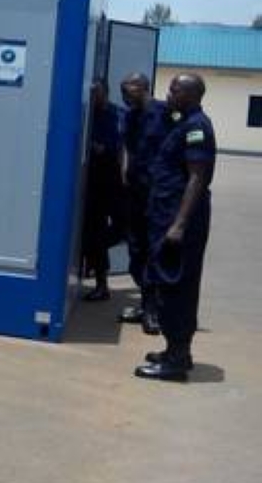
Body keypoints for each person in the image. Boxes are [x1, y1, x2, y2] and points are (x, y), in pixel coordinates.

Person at [134, 73, 216, 382]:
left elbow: (196, 177)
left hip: (180, 221)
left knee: (177, 286)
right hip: (166, 216)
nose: (168, 93)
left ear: (192, 95)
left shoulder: (197, 127)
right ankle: (175, 351)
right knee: (168, 283)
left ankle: (177, 361)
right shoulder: (182, 122)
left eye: (175, 89)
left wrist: (179, 224)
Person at [119, 73, 170, 334]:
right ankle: (146, 302)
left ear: (143, 88)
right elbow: (127, 146)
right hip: (134, 192)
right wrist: (124, 170)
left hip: (157, 195)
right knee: (136, 252)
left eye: (129, 90)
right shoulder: (129, 115)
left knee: (153, 252)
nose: (125, 95)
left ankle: (152, 310)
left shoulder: (165, 113)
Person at [81, 78, 124, 301]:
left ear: (105, 92)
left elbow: (123, 147)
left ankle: (89, 249)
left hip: (114, 177)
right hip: (92, 179)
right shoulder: (85, 114)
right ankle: (101, 283)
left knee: (122, 228)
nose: (93, 96)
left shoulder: (119, 114)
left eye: (96, 92)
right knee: (94, 229)